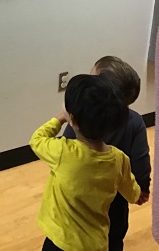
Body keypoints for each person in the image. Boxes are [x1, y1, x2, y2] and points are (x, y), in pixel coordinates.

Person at [30, 74, 142, 251]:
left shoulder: (63, 152)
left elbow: (36, 139)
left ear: (72, 120)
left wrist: (60, 118)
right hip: (96, 244)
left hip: (60, 242)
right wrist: (139, 195)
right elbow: (133, 193)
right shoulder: (119, 159)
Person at [63, 56, 151, 250]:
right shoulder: (135, 122)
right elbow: (141, 165)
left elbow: (65, 160)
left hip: (77, 205)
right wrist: (142, 189)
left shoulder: (77, 125)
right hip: (115, 204)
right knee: (113, 241)